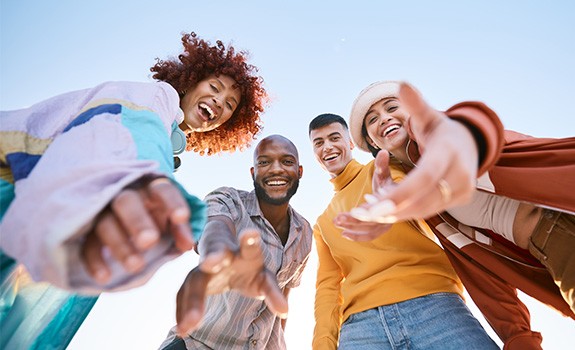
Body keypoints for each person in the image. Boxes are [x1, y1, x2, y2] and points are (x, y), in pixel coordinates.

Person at [0, 32, 267, 349]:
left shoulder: (167, 141)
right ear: (190, 80)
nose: (219, 102)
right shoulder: (154, 99)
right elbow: (133, 135)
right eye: (214, 87)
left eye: (229, 105)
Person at [340, 80, 575, 349]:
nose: (384, 118)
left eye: (392, 107)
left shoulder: (436, 133)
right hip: (551, 247)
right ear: (371, 140)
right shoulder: (428, 204)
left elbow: (467, 129)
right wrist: (517, 336)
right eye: (373, 119)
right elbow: (482, 272)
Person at [308, 113, 498, 350]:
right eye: (319, 142)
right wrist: (322, 345)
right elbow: (327, 288)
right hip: (361, 326)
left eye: (334, 138)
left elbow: (410, 193)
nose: (327, 147)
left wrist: (393, 198)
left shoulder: (383, 168)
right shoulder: (323, 222)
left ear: (349, 143)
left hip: (433, 305)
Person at [159, 135, 312, 350]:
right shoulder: (228, 200)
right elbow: (214, 227)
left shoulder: (303, 232)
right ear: (253, 173)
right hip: (195, 344)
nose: (276, 169)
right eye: (264, 162)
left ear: (299, 171)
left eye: (287, 161)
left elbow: (282, 299)